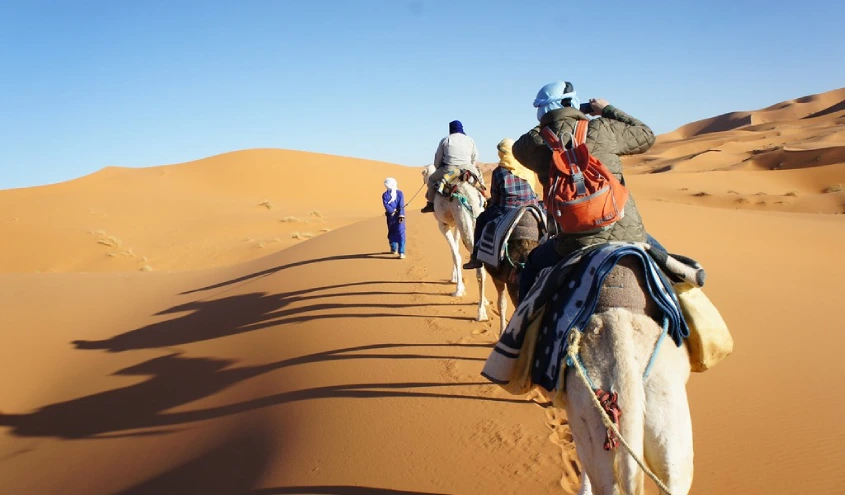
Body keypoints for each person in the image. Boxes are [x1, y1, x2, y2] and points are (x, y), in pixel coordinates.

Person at [512, 80, 656, 301]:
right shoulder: (603, 127)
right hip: (626, 232)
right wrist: (606, 110)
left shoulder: (534, 143)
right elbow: (646, 134)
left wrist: (550, 122)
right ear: (573, 102)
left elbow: (517, 148)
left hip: (571, 243)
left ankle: (518, 333)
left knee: (531, 267)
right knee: (668, 267)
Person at [462, 138, 540, 269]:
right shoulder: (528, 168)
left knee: (481, 219)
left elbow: (496, 197)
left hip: (507, 210)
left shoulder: (499, 172)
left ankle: (476, 257)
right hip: (531, 208)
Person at [421, 120, 484, 213]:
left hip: (449, 169)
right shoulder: (469, 139)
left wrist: (438, 167)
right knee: (480, 180)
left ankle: (431, 203)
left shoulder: (446, 140)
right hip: (468, 167)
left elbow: (438, 158)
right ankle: (485, 197)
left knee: (431, 179)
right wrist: (471, 165)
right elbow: (475, 156)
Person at [382, 177, 406, 258]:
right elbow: (386, 205)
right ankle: (393, 248)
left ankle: (401, 252)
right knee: (392, 232)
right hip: (390, 217)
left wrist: (401, 214)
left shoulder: (399, 193)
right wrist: (392, 211)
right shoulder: (385, 195)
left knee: (401, 233)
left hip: (399, 217)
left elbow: (401, 204)